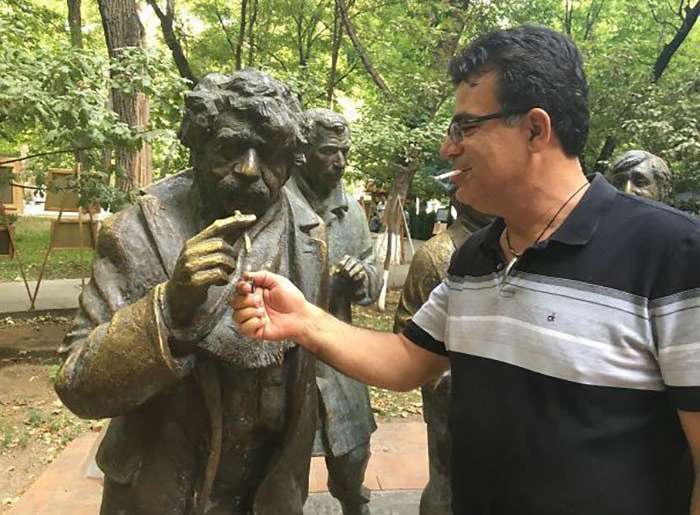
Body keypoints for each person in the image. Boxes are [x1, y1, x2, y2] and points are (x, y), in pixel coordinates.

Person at [232, 25, 700, 514]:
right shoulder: (475, 257)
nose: (447, 148)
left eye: (464, 129)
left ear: (535, 130)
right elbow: (406, 360)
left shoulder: (673, 254)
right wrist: (303, 319)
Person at [54, 69, 327, 514]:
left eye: (269, 153)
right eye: (230, 148)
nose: (250, 169)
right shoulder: (134, 233)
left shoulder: (310, 237)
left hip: (269, 492)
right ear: (198, 145)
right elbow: (78, 384)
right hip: (160, 490)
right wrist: (169, 306)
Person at [286, 108, 380, 515]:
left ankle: (354, 501)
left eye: (345, 151)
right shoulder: (277, 204)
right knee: (284, 467)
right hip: (287, 359)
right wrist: (326, 286)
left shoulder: (352, 212)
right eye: (329, 151)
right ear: (302, 152)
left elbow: (373, 278)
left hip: (340, 354)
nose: (340, 161)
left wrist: (361, 278)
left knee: (353, 454)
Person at [393, 194, 491, 515]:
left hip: (502, 403)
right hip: (448, 401)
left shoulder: (512, 243)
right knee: (446, 483)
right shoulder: (436, 254)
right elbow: (406, 330)